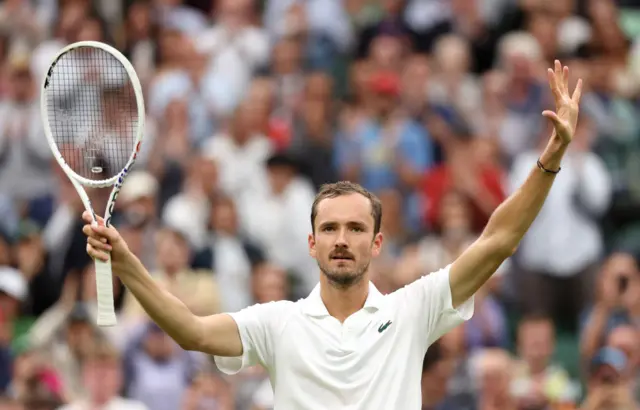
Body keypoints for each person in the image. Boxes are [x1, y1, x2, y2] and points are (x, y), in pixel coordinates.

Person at [81, 60, 583, 409]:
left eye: (356, 228)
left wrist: (550, 160)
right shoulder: (277, 322)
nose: (342, 238)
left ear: (377, 243)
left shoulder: (411, 310)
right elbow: (191, 331)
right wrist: (127, 263)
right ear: (312, 243)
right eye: (330, 228)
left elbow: (498, 241)